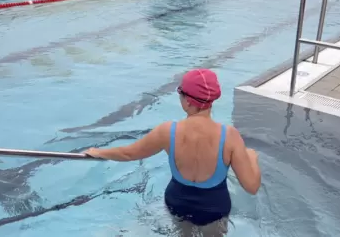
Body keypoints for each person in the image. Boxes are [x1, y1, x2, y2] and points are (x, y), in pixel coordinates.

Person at [84, 69, 262, 236]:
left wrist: (100, 152)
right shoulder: (229, 136)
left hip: (178, 204)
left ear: (187, 100)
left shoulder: (168, 132)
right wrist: (252, 159)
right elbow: (251, 187)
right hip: (214, 210)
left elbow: (129, 153)